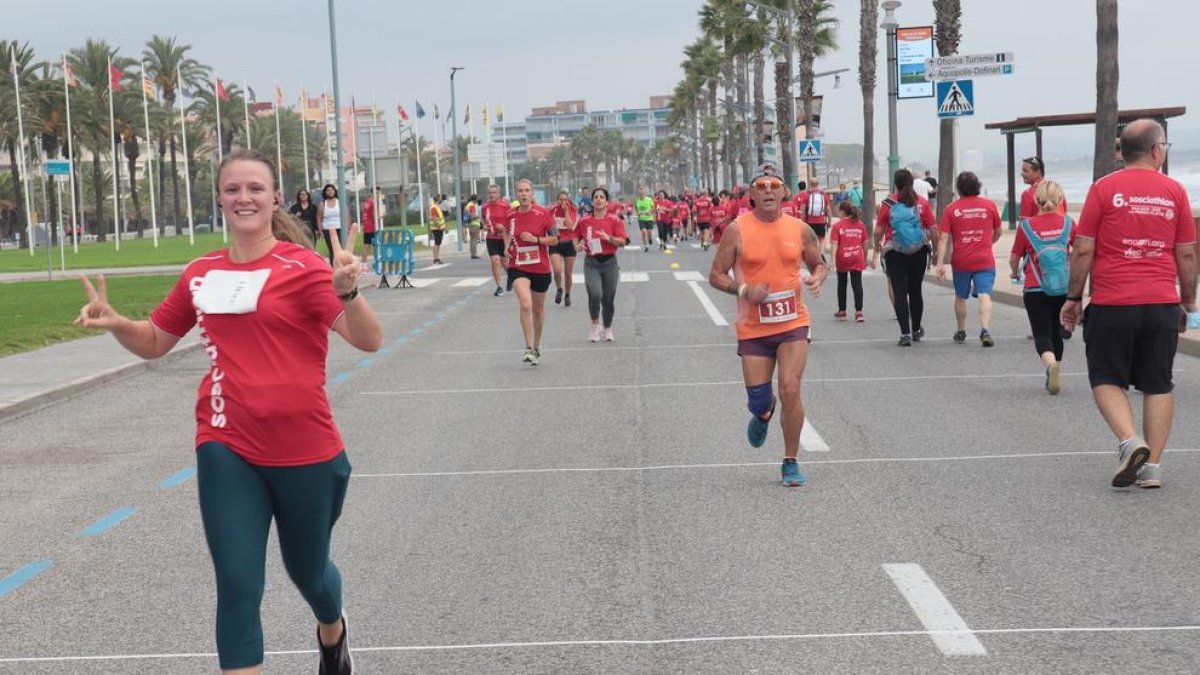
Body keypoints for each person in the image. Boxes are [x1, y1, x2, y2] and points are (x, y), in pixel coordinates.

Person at [76, 149, 381, 675]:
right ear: (219, 198)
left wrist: (348, 290)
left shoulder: (304, 268)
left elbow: (368, 339)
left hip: (306, 449)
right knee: (238, 582)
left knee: (309, 574)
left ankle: (333, 632)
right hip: (226, 444)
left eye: (255, 189)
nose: (244, 198)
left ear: (275, 199)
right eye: (233, 189)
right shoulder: (202, 272)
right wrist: (117, 322)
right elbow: (154, 342)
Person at [1060, 119, 1197, 489]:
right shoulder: (1175, 191)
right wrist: (1187, 301)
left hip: (1112, 301)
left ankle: (1129, 440)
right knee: (1158, 384)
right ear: (1156, 151)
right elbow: (1186, 254)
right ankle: (1151, 467)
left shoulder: (1103, 189)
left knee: (1105, 377)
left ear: (1123, 150)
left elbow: (1084, 247)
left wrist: (1074, 298)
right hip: (1160, 303)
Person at [708, 165, 828, 487]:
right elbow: (716, 275)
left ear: (784, 192)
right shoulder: (737, 230)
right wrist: (745, 290)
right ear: (751, 195)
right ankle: (763, 412)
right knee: (760, 399)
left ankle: (790, 460)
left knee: (790, 388)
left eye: (774, 184)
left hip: (792, 322)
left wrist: (817, 277)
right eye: (761, 186)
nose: (768, 190)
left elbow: (818, 262)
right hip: (754, 327)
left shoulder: (800, 229)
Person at [1009, 180, 1074, 395]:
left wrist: (1014, 273)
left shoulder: (1026, 227)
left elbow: (1014, 257)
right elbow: (1081, 251)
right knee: (1056, 332)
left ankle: (1050, 366)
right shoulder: (1068, 223)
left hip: (1035, 288)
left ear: (1037, 200)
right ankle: (1057, 370)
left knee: (1042, 334)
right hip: (1062, 288)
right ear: (1060, 200)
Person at [935, 171, 1003, 346]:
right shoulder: (989, 206)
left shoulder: (951, 209)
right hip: (985, 259)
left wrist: (940, 262)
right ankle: (985, 329)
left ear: (959, 189)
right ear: (977, 186)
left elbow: (943, 237)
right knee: (984, 294)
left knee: (960, 296)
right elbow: (998, 231)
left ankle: (961, 329)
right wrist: (988, 243)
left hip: (961, 260)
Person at [871, 169, 937, 346]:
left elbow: (878, 231)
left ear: (896, 184)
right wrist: (936, 251)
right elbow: (933, 229)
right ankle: (916, 330)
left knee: (900, 292)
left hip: (895, 252)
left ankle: (905, 334)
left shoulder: (888, 203)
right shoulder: (921, 202)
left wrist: (877, 245)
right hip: (919, 252)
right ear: (911, 183)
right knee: (915, 291)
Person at [506, 178, 558, 366]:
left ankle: (537, 345)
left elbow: (555, 239)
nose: (523, 194)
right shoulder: (511, 215)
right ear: (516, 194)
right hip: (518, 265)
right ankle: (528, 346)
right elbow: (506, 231)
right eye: (520, 191)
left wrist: (536, 239)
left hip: (540, 267)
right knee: (525, 304)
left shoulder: (543, 214)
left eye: (527, 190)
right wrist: (506, 246)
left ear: (532, 193)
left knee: (538, 309)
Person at [576, 187, 628, 342]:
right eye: (596, 197)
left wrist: (609, 238)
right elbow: (576, 238)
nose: (598, 199)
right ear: (592, 201)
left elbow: (623, 241)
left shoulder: (614, 220)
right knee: (595, 294)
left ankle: (608, 328)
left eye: (602, 197)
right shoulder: (584, 221)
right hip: (592, 262)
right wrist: (577, 246)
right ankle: (595, 324)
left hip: (610, 262)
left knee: (608, 299)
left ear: (607, 202)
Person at [830, 201, 868, 322]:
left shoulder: (837, 226)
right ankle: (859, 312)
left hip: (842, 258)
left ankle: (842, 311)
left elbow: (834, 245)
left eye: (838, 210)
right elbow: (865, 243)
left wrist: (832, 261)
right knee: (857, 285)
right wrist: (865, 258)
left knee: (842, 284)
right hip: (857, 257)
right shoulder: (860, 224)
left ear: (842, 211)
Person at [549, 190, 579, 307]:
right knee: (556, 270)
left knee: (568, 273)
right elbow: (548, 224)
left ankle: (567, 294)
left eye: (565, 200)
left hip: (569, 243)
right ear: (558, 200)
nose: (563, 202)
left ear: (568, 200)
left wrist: (566, 212)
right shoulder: (553, 210)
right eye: (561, 200)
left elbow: (570, 226)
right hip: (556, 242)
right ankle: (559, 289)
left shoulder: (572, 209)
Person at [482, 184, 512, 296]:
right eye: (490, 193)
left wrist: (503, 228)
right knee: (495, 261)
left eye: (494, 192)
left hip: (503, 238)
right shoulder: (485, 207)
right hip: (491, 237)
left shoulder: (505, 206)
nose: (492, 195)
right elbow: (485, 220)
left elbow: (511, 222)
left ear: (498, 194)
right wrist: (485, 226)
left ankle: (511, 276)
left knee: (505, 262)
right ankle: (499, 287)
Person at [798, 178, 831, 256]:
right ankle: (821, 253)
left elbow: (802, 210)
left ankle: (813, 254)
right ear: (818, 184)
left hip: (810, 221)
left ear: (810, 184)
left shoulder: (807, 195)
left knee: (811, 239)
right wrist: (829, 221)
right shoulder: (824, 195)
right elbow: (828, 209)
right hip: (821, 221)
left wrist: (802, 222)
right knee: (822, 239)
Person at [316, 183, 343, 266]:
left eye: (332, 190)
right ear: (325, 192)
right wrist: (321, 232)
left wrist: (348, 228)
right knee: (332, 249)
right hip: (328, 229)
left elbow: (346, 215)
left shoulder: (340, 202)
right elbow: (319, 218)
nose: (330, 192)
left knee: (341, 248)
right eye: (328, 190)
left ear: (335, 191)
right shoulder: (323, 204)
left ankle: (342, 266)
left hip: (340, 228)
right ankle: (333, 268)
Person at [360, 187, 379, 272]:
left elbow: (364, 212)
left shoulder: (367, 201)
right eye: (377, 193)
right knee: (375, 246)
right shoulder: (373, 202)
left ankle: (364, 265)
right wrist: (381, 216)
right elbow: (374, 216)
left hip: (366, 226)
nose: (378, 195)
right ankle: (377, 264)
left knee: (366, 245)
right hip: (371, 227)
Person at [428, 194, 446, 265]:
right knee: (437, 243)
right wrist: (439, 227)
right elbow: (434, 218)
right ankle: (436, 258)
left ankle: (437, 258)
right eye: (440, 199)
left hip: (438, 228)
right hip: (437, 228)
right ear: (438, 199)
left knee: (438, 243)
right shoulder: (434, 207)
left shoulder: (437, 207)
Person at [635, 187, 655, 252]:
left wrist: (649, 212)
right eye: (640, 193)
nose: (641, 194)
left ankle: (650, 239)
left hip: (649, 218)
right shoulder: (636, 201)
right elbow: (636, 209)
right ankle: (646, 246)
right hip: (641, 219)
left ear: (644, 193)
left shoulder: (649, 199)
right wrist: (638, 213)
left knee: (649, 233)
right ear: (638, 194)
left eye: (642, 193)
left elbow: (653, 207)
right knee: (643, 232)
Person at [465, 194, 483, 259]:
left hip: (470, 224)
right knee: (474, 239)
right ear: (475, 199)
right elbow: (472, 215)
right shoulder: (472, 205)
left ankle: (472, 253)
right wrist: (478, 216)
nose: (478, 200)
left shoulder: (468, 205)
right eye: (477, 198)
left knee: (472, 239)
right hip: (474, 224)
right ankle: (474, 254)